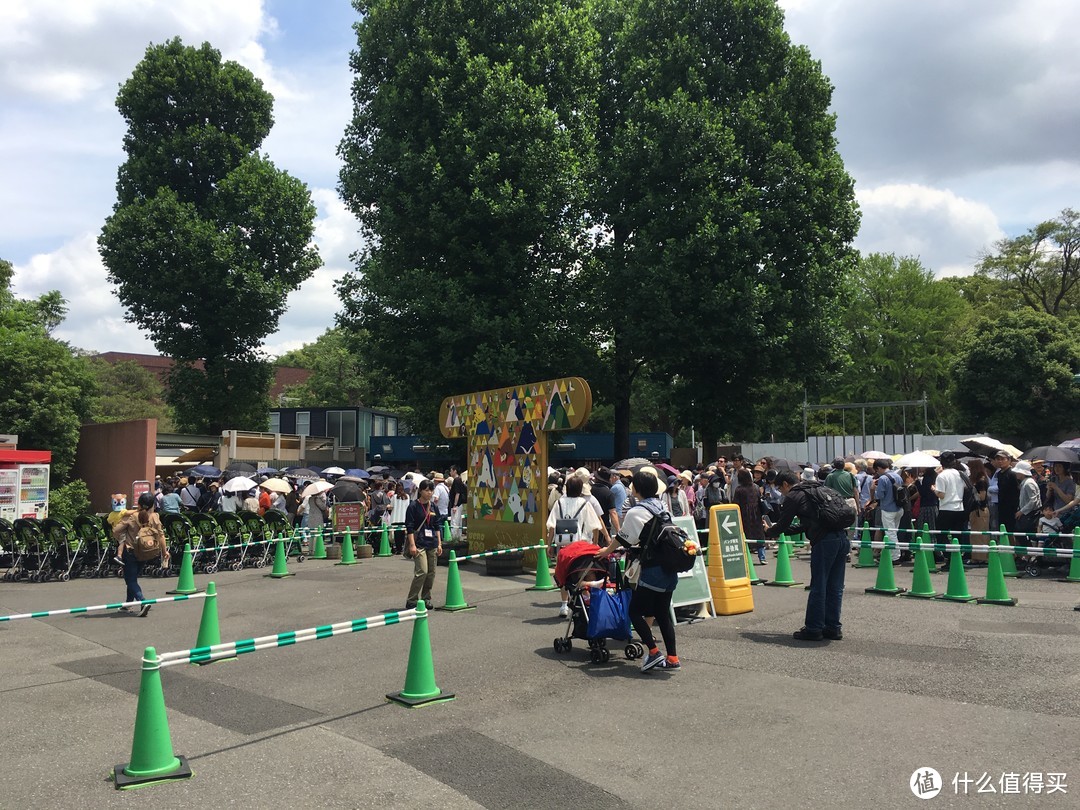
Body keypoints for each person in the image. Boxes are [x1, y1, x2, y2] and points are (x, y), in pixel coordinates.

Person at [596, 468, 680, 672]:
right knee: (662, 613)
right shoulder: (661, 506)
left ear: (638, 488)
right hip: (670, 567)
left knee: (634, 611)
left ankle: (653, 652)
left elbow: (624, 538)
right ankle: (673, 658)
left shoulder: (637, 512)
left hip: (652, 570)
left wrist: (605, 551)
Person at [765, 470, 847, 641]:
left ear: (786, 484)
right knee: (835, 587)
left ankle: (814, 628)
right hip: (841, 538)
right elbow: (806, 525)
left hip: (824, 542)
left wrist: (768, 531)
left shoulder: (794, 496)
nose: (781, 493)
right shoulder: (820, 489)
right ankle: (832, 627)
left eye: (780, 489)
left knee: (818, 585)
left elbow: (783, 524)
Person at [547, 474, 604, 617]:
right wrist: (595, 544)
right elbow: (595, 526)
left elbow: (552, 526)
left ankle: (564, 605)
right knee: (582, 572)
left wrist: (549, 545)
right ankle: (586, 600)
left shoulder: (559, 503)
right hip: (581, 546)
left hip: (563, 546)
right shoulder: (585, 504)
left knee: (563, 574)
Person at [112, 492, 170, 617]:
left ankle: (143, 602)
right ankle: (127, 604)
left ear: (138, 504)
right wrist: (164, 551)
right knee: (132, 578)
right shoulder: (155, 516)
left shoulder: (132, 516)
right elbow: (161, 535)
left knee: (131, 579)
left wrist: (123, 538)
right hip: (146, 551)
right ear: (152, 505)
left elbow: (116, 530)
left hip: (131, 551)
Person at [404, 479, 444, 609]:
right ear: (420, 491)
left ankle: (426, 598)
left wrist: (439, 543)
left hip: (432, 542)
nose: (429, 493)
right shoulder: (413, 506)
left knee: (431, 573)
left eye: (431, 490)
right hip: (419, 543)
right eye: (427, 490)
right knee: (422, 571)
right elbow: (409, 527)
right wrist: (412, 545)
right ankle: (412, 599)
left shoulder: (433, 507)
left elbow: (437, 526)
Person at [870, 459, 903, 562]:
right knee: (894, 532)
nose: (877, 472)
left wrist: (874, 489)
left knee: (890, 533)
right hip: (899, 508)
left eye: (876, 470)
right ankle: (892, 554)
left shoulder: (883, 479)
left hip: (888, 509)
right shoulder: (898, 476)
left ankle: (895, 557)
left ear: (879, 468)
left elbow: (880, 496)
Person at [733, 468, 766, 564]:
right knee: (759, 535)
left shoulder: (739, 489)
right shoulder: (755, 487)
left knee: (744, 535)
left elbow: (736, 503)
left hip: (744, 514)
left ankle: (745, 558)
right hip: (756, 513)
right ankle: (762, 557)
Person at [390, 481, 411, 554]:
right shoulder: (407, 496)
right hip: (403, 517)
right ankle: (401, 547)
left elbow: (391, 506)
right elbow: (408, 506)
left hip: (395, 518)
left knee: (396, 535)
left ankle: (398, 548)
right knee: (402, 534)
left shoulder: (394, 497)